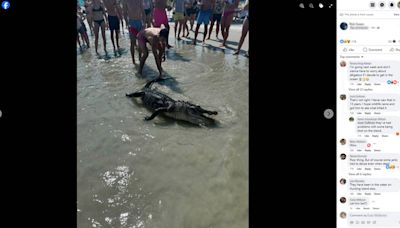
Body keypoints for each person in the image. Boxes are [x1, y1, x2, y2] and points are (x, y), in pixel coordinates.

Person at [124, 0, 146, 65]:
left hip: (139, 22)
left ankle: (139, 57)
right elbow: (124, 13)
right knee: (133, 42)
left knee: (140, 42)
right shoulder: (127, 1)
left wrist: (144, 23)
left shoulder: (139, 1)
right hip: (132, 23)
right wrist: (127, 23)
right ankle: (133, 60)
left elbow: (143, 12)